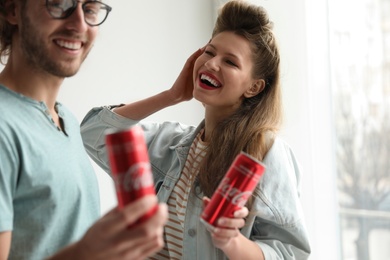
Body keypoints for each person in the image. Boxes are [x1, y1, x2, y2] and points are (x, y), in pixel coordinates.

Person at [81, 0, 311, 259]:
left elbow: (289, 253)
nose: (212, 64)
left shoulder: (266, 152)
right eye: (210, 52)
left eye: (230, 62)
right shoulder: (170, 144)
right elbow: (92, 134)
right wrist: (171, 96)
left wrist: (232, 241)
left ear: (254, 87)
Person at [0, 0, 168, 259]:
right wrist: (87, 252)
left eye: (89, 9)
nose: (79, 24)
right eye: (59, 4)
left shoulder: (64, 116)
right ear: (13, 10)